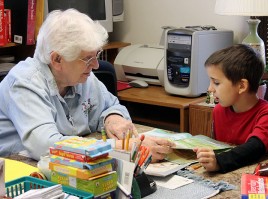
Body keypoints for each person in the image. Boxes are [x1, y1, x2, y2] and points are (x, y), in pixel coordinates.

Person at [0, 9, 174, 161]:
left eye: (96, 55)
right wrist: (124, 148)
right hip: (20, 172)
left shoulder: (81, 77)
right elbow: (47, 146)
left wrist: (113, 118)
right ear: (57, 59)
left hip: (72, 165)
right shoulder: (25, 83)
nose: (96, 65)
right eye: (88, 58)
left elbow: (111, 105)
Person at [193, 44, 268, 173]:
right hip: (233, 174)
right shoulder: (219, 111)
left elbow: (255, 147)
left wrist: (220, 161)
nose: (210, 89)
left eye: (216, 83)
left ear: (242, 86)